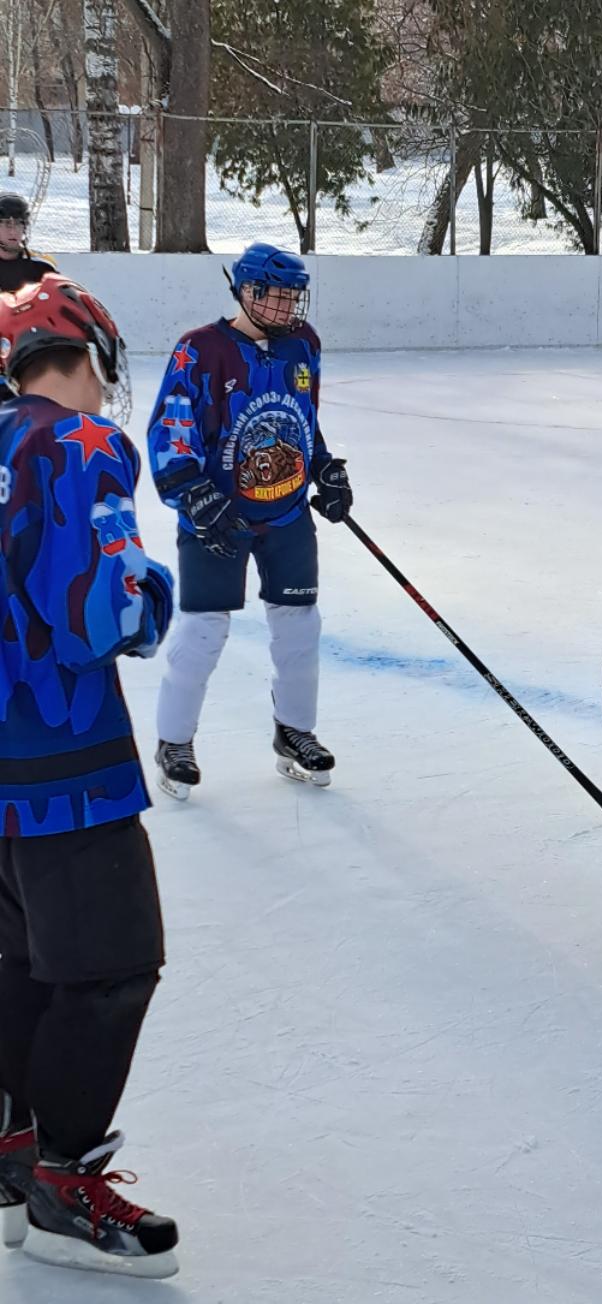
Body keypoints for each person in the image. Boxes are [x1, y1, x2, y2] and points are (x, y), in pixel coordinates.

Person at [0, 276, 178, 1276]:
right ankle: (64, 1181)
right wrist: (152, 593)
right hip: (67, 760)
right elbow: (106, 613)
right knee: (111, 965)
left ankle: (12, 1152)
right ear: (90, 355)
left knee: (23, 962)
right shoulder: (83, 446)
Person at [147, 241, 352, 800]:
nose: (289, 308)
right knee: (205, 629)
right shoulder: (200, 350)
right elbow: (171, 428)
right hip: (217, 516)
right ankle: (174, 741)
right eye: (278, 296)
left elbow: (301, 421)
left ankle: (294, 733)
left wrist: (324, 469)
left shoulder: (302, 346)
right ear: (246, 291)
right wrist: (192, 493)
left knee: (299, 625)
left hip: (284, 512)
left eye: (295, 297)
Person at [0, 194, 57, 403]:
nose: (14, 230)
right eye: (7, 224)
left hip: (30, 356)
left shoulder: (42, 267)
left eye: (20, 223)